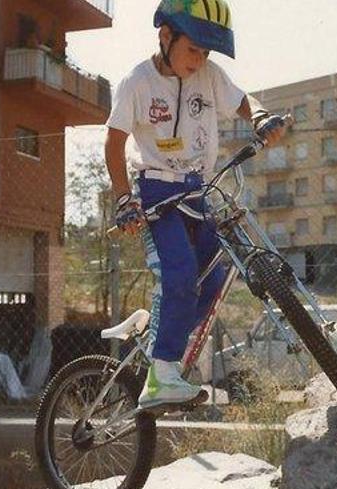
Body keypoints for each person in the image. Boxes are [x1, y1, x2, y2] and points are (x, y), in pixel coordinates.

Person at [104, 0, 285, 410]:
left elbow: (243, 101)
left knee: (215, 279)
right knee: (181, 274)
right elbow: (114, 144)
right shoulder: (137, 82)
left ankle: (156, 329)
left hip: (196, 192)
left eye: (206, 52)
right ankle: (162, 373)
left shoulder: (208, 75)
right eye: (193, 49)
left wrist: (260, 117)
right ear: (166, 36)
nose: (198, 59)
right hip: (155, 194)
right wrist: (122, 199)